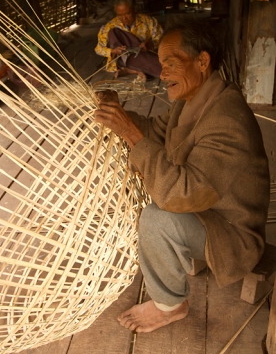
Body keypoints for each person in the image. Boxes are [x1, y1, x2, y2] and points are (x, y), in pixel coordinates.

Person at [94, 17, 270, 333]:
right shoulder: (194, 100)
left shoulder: (227, 120)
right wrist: (116, 114)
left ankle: (169, 305)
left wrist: (129, 132)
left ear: (202, 61)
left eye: (171, 64)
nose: (162, 75)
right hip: (206, 212)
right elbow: (153, 133)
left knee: (157, 216)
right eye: (161, 65)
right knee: (152, 179)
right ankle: (182, 254)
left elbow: (181, 195)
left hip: (231, 232)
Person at [95, 0, 163, 81]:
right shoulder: (110, 26)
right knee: (113, 33)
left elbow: (161, 39)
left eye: (128, 13)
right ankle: (137, 69)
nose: (124, 18)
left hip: (143, 56)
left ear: (134, 9)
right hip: (122, 60)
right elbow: (98, 49)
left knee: (162, 66)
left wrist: (150, 44)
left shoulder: (148, 21)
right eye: (120, 15)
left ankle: (133, 70)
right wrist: (113, 51)